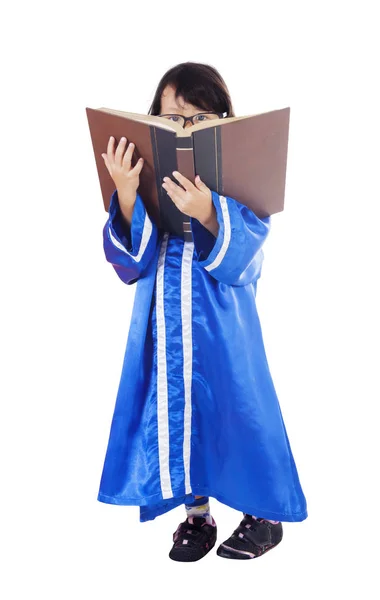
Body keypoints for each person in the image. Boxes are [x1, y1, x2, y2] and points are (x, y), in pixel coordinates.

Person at [98, 62, 308, 562]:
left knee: (237, 413)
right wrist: (127, 194)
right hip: (164, 327)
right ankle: (197, 515)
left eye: (197, 118)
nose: (183, 128)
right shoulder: (144, 192)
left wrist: (209, 212)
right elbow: (130, 263)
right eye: (172, 117)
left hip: (223, 329)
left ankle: (265, 516)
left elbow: (246, 258)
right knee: (179, 411)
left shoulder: (240, 194)